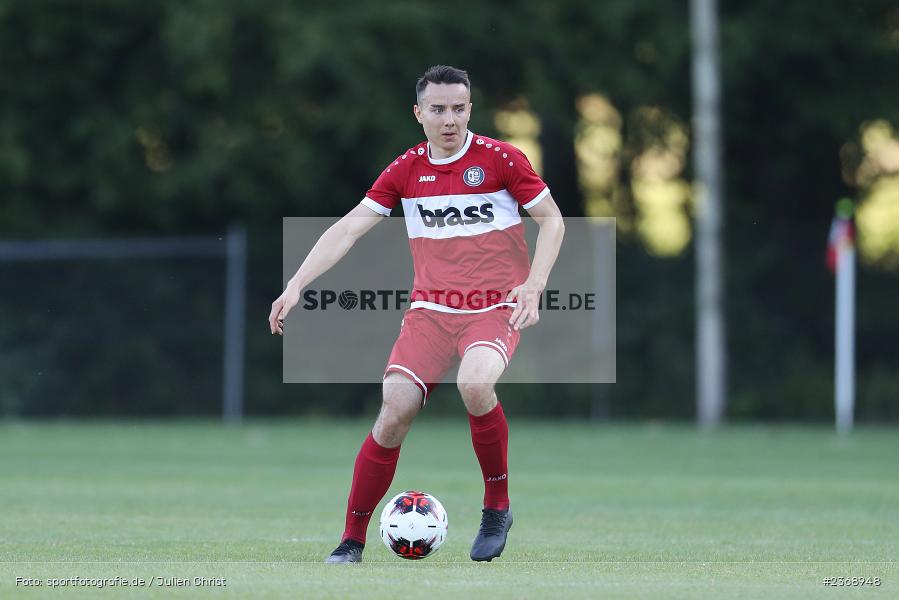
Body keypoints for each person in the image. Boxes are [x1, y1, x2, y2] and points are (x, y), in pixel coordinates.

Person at [269, 65, 565, 563]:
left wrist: (534, 284)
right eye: (438, 109)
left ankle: (497, 507)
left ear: (470, 109)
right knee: (394, 410)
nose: (449, 118)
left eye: (459, 108)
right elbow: (348, 229)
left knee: (475, 383)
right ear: (419, 113)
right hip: (429, 312)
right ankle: (351, 540)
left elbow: (553, 220)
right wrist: (296, 283)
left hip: (491, 307)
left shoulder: (500, 160)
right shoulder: (407, 169)